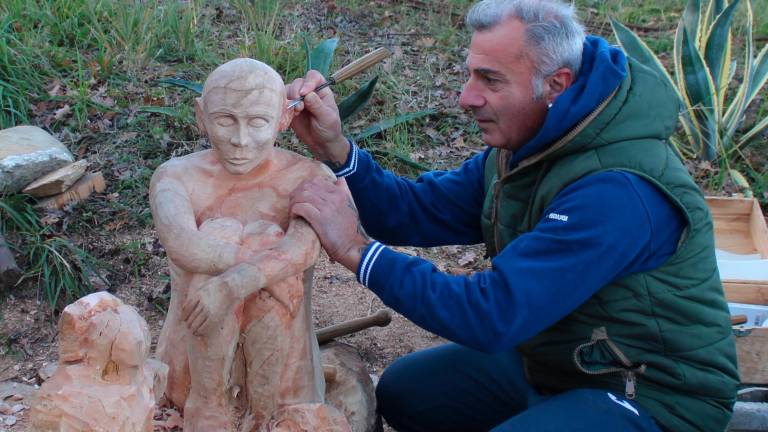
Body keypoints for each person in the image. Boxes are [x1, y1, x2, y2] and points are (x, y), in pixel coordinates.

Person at [287, 0, 739, 431]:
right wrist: (337, 149)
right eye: (469, 75)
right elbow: (414, 212)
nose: (467, 97)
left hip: (649, 391)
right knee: (409, 393)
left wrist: (355, 249)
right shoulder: (532, 144)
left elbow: (491, 314)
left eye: (490, 80)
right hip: (562, 358)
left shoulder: (616, 190)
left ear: (556, 84)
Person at [149, 58, 349, 431]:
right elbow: (184, 245)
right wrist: (268, 268)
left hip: (287, 373)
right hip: (189, 363)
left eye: (257, 122)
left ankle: (265, 414)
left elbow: (303, 249)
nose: (241, 140)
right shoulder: (176, 176)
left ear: (284, 119)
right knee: (222, 235)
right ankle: (207, 403)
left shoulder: (307, 175)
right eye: (225, 120)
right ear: (201, 116)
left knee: (265, 236)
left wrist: (232, 284)